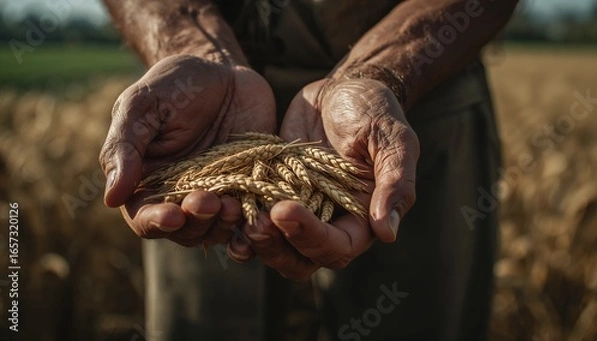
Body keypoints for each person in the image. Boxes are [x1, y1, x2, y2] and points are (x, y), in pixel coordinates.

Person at [99, 1, 517, 340]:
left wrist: (376, 72)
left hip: (413, 97)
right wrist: (192, 45)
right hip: (200, 122)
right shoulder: (198, 145)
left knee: (412, 319)